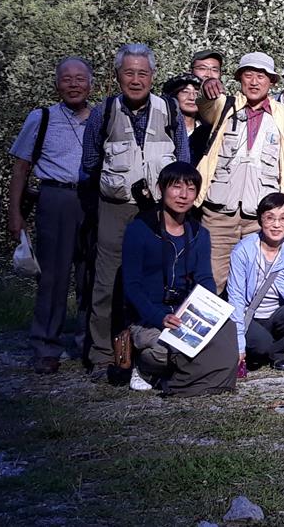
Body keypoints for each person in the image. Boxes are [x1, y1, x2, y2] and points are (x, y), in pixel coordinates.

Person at [81, 43, 190, 380]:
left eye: (143, 73)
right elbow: (90, 163)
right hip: (115, 207)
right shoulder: (103, 112)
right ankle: (102, 355)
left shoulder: (169, 109)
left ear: (153, 76)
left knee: (158, 281)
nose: (136, 79)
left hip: (158, 210)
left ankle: (149, 351)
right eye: (129, 72)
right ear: (117, 76)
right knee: (106, 283)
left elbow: (184, 161)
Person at [122, 162, 238, 396]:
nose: (183, 195)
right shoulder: (139, 230)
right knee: (166, 352)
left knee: (225, 333)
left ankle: (182, 373)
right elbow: (131, 285)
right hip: (148, 317)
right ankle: (143, 367)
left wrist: (208, 310)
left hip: (184, 316)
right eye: (176, 187)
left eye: (191, 189)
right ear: (161, 188)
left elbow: (204, 277)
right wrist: (158, 317)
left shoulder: (200, 233)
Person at [8, 57, 94, 374]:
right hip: (55, 198)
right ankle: (46, 346)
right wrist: (14, 213)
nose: (73, 85)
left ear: (90, 84)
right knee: (52, 277)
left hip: (93, 200)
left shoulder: (101, 117)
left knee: (91, 276)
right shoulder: (41, 118)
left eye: (80, 79)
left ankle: (89, 344)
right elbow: (20, 168)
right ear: (57, 84)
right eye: (66, 79)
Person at [195, 52, 284, 295]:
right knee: (210, 282)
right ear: (239, 78)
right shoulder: (224, 105)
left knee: (254, 285)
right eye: (249, 75)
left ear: (272, 81)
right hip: (218, 214)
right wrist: (206, 87)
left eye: (261, 76)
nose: (254, 82)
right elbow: (204, 105)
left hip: (261, 217)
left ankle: (244, 322)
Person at [227, 193, 284, 372]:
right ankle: (257, 350)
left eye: (283, 219)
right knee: (261, 346)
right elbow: (235, 298)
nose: (276, 225)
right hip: (248, 316)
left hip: (275, 315)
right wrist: (239, 344)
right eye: (270, 218)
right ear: (260, 219)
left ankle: (278, 354)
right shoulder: (243, 250)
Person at [162, 73, 209, 165]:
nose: (192, 97)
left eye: (197, 93)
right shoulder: (165, 129)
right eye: (185, 92)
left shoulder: (208, 130)